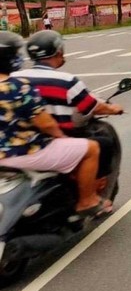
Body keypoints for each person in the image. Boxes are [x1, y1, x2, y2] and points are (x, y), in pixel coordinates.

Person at [0, 31, 111, 217]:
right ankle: (87, 201)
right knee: (91, 148)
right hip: (21, 152)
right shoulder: (17, 86)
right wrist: (60, 137)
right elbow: (46, 124)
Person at [12, 30, 124, 182]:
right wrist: (113, 109)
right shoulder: (66, 80)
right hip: (50, 142)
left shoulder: (14, 78)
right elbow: (93, 107)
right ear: (58, 52)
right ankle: (92, 194)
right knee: (104, 144)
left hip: (16, 141)